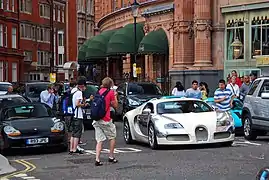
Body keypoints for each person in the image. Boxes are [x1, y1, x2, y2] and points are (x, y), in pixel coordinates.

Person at [93, 77, 118, 166]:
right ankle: (111, 156)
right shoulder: (110, 92)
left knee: (99, 140)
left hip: (96, 119)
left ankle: (97, 159)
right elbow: (115, 105)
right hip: (106, 119)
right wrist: (115, 95)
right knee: (112, 137)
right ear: (110, 84)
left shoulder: (98, 91)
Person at [69, 78, 88, 155]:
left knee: (73, 133)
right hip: (78, 115)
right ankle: (74, 149)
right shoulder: (79, 92)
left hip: (73, 114)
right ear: (82, 85)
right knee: (77, 133)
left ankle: (71, 149)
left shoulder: (73, 91)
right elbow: (77, 104)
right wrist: (84, 104)